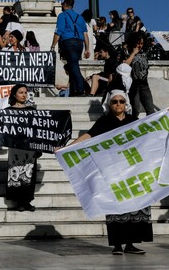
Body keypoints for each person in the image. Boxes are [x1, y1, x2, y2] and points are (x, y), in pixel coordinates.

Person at [69, 89, 151, 254]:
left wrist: (165, 116)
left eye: (121, 101)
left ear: (126, 103)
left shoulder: (133, 120)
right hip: (113, 171)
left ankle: (131, 244)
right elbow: (89, 136)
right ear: (109, 104)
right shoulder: (104, 121)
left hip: (133, 170)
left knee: (135, 207)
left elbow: (150, 131)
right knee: (115, 207)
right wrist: (68, 147)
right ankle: (117, 245)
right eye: (115, 101)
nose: (119, 104)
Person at [5, 83, 40, 211]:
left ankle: (27, 201)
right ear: (15, 94)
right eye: (21, 92)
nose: (24, 95)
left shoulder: (32, 110)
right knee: (16, 172)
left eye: (25, 92)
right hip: (15, 148)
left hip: (29, 148)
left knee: (29, 173)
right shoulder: (8, 111)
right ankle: (19, 201)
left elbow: (38, 129)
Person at [50, 0, 90, 96]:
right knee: (73, 65)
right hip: (79, 43)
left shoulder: (62, 15)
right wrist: (87, 48)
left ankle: (81, 88)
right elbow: (85, 34)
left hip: (68, 42)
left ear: (65, 5)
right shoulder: (80, 17)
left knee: (73, 65)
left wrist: (53, 45)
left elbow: (59, 31)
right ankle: (74, 90)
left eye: (62, 4)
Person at [122, 32, 155, 117]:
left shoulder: (144, 53)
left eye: (142, 43)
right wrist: (133, 53)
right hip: (133, 85)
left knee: (150, 108)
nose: (140, 46)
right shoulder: (127, 52)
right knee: (136, 109)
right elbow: (125, 65)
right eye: (138, 43)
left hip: (144, 84)